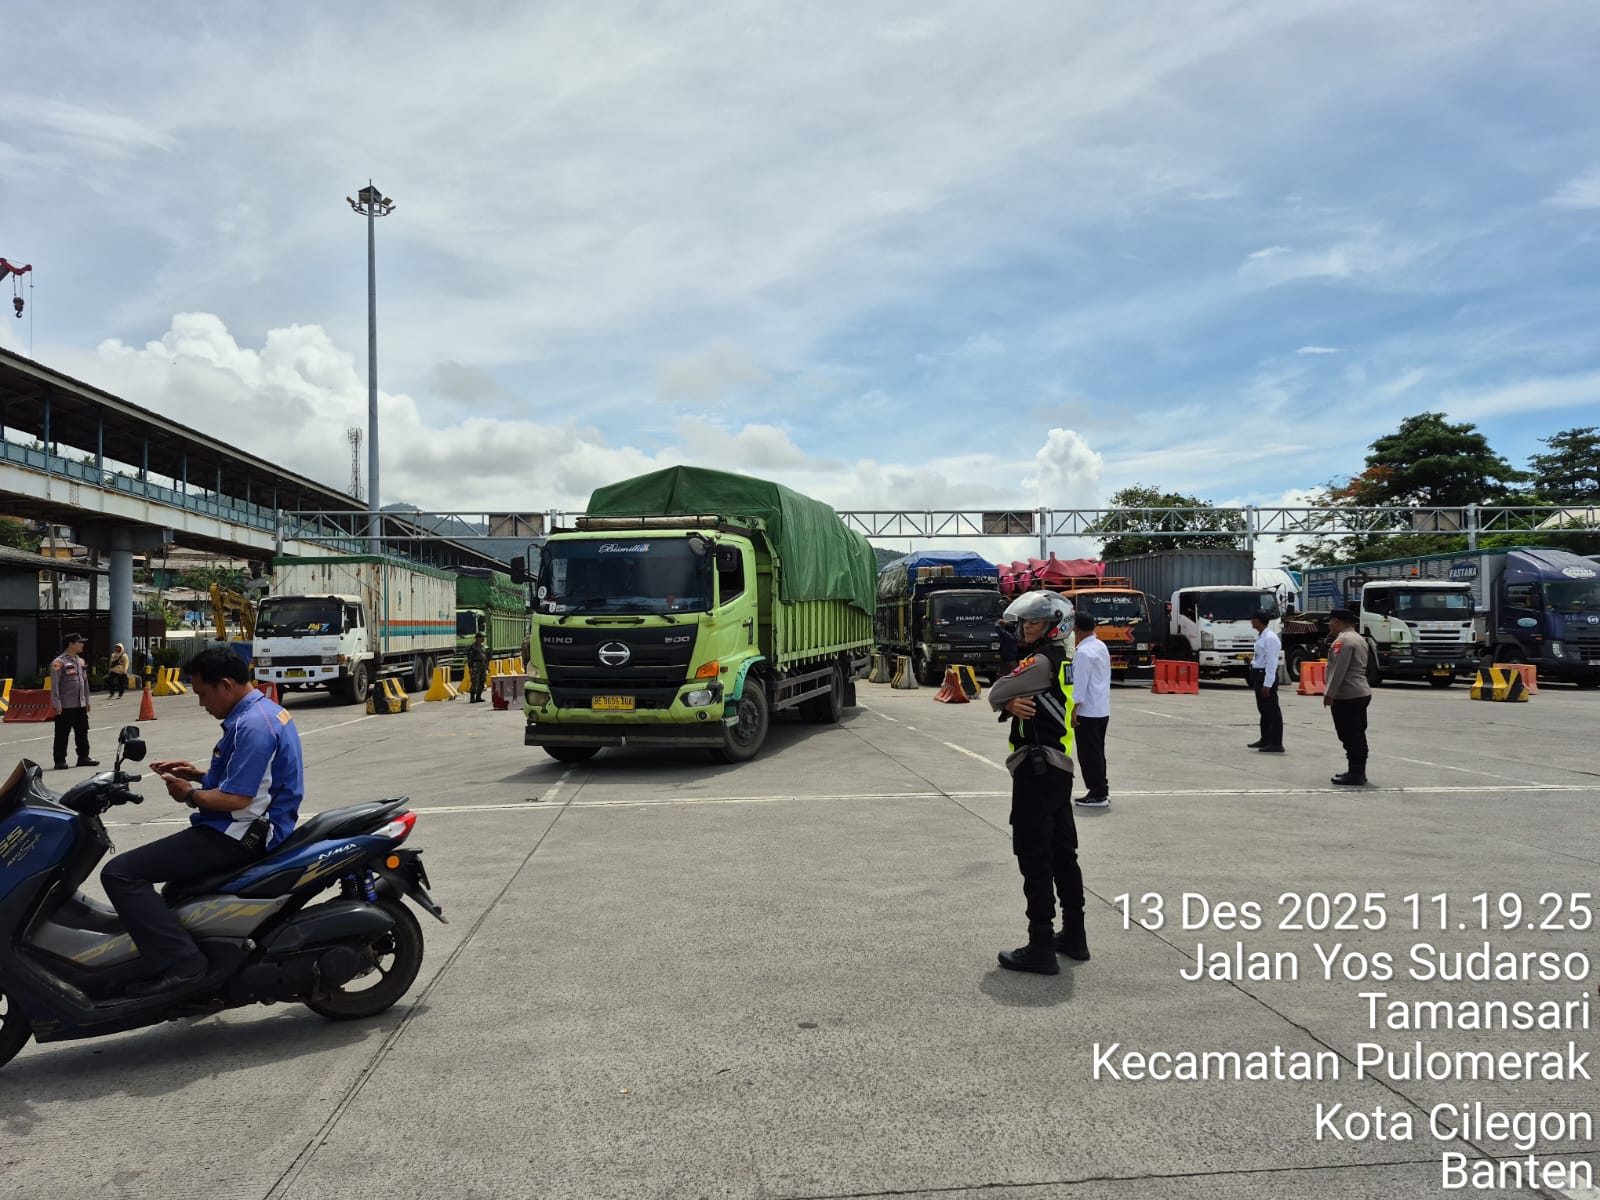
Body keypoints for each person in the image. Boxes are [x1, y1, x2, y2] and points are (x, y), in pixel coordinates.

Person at [101, 647, 304, 995]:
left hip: (240, 833)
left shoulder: (252, 726)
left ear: (225, 685)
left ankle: (183, 965)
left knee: (120, 873)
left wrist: (189, 795)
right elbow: (254, 780)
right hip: (250, 824)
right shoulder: (265, 712)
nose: (201, 703)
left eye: (203, 694)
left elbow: (236, 799)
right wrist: (196, 775)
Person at [987, 590, 1089, 975]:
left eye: (1033, 622)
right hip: (1059, 767)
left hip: (1037, 769)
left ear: (1054, 625)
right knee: (1064, 854)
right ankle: (1074, 935)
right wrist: (1011, 705)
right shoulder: (1063, 661)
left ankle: (1041, 944)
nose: (1025, 628)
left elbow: (997, 691)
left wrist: (1005, 700)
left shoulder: (1040, 662)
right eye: (1025, 621)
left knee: (1034, 855)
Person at [1322, 608, 1372, 786]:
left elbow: (1338, 670)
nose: (1329, 625)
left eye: (1330, 621)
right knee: (1357, 733)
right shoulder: (1359, 638)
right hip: (1361, 691)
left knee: (1349, 734)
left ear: (1337, 622)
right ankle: (1358, 770)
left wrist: (1329, 693)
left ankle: (1356, 773)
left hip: (1347, 694)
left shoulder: (1343, 641)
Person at [1070, 610, 1112, 807]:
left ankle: (1097, 793)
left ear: (1076, 629)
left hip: (1087, 710)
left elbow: (1080, 683)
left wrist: (1074, 708)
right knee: (1097, 751)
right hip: (1101, 708)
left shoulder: (1083, 653)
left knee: (1088, 754)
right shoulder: (1100, 646)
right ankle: (1101, 788)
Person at [49, 632, 98, 770]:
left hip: (80, 704)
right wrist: (57, 704)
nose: (82, 645)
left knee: (82, 732)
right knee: (62, 734)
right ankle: (60, 760)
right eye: (79, 642)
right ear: (71, 644)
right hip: (65, 706)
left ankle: (83, 757)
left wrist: (87, 700)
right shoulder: (58, 663)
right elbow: (54, 686)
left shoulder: (80, 661)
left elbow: (85, 682)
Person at [1247, 611, 1284, 753]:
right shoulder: (1262, 636)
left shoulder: (1270, 638)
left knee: (1272, 710)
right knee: (1263, 710)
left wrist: (1268, 684)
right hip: (1259, 675)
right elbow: (1261, 657)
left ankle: (1276, 743)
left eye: (1253, 619)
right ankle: (1266, 739)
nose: (1251, 622)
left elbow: (1271, 662)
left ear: (1258, 621)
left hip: (1266, 677)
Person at [466, 632, 491, 702]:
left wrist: (487, 667)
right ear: (477, 638)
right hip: (476, 665)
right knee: (475, 681)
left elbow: (485, 657)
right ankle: (472, 697)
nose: (483, 639)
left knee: (482, 680)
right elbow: (469, 658)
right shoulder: (473, 647)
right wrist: (470, 667)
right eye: (482, 637)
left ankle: (478, 696)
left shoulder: (483, 646)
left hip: (483, 665)